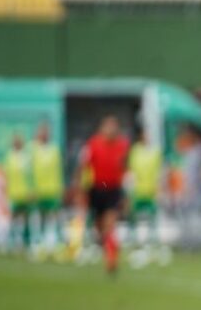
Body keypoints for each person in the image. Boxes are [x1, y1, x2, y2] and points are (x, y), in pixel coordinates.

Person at [72, 115, 130, 274]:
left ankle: (111, 258)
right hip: (97, 188)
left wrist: (126, 194)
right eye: (108, 126)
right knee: (99, 228)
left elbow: (125, 168)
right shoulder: (93, 144)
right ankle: (106, 246)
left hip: (113, 188)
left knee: (110, 224)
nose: (111, 130)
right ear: (102, 128)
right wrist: (78, 189)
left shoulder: (122, 145)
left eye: (114, 126)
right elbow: (82, 166)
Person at [126, 128, 165, 252]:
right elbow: (131, 170)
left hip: (151, 190)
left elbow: (159, 172)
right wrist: (129, 188)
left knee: (152, 217)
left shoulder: (155, 152)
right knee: (133, 216)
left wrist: (159, 188)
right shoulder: (135, 151)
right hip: (137, 190)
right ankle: (133, 239)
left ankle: (152, 240)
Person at [31, 121, 65, 251]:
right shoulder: (33, 149)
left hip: (53, 189)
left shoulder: (55, 150)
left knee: (55, 216)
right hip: (38, 190)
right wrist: (31, 188)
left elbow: (58, 170)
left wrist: (60, 187)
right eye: (42, 132)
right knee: (39, 216)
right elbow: (30, 171)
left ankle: (55, 242)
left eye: (47, 133)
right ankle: (37, 242)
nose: (45, 135)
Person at [2, 132, 34, 253]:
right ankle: (11, 242)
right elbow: (5, 176)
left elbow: (30, 176)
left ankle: (26, 243)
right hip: (14, 194)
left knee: (26, 219)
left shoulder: (26, 157)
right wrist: (5, 191)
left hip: (25, 194)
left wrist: (31, 191)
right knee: (14, 219)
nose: (17, 143)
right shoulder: (9, 157)